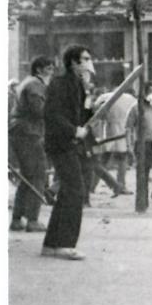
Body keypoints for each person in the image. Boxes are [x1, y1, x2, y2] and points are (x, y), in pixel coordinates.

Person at [41, 45, 95, 259]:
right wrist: (74, 130)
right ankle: (64, 244)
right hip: (60, 143)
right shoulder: (59, 83)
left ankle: (52, 244)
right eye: (85, 58)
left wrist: (90, 102)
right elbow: (52, 114)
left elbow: (81, 115)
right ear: (73, 62)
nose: (89, 62)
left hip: (70, 143)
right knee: (75, 191)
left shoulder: (79, 85)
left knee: (67, 192)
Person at [9, 56, 55, 233]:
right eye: (48, 69)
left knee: (27, 176)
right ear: (38, 70)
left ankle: (17, 218)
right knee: (38, 175)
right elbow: (40, 111)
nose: (51, 72)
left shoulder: (28, 83)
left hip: (21, 131)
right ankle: (33, 220)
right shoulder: (36, 85)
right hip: (28, 132)